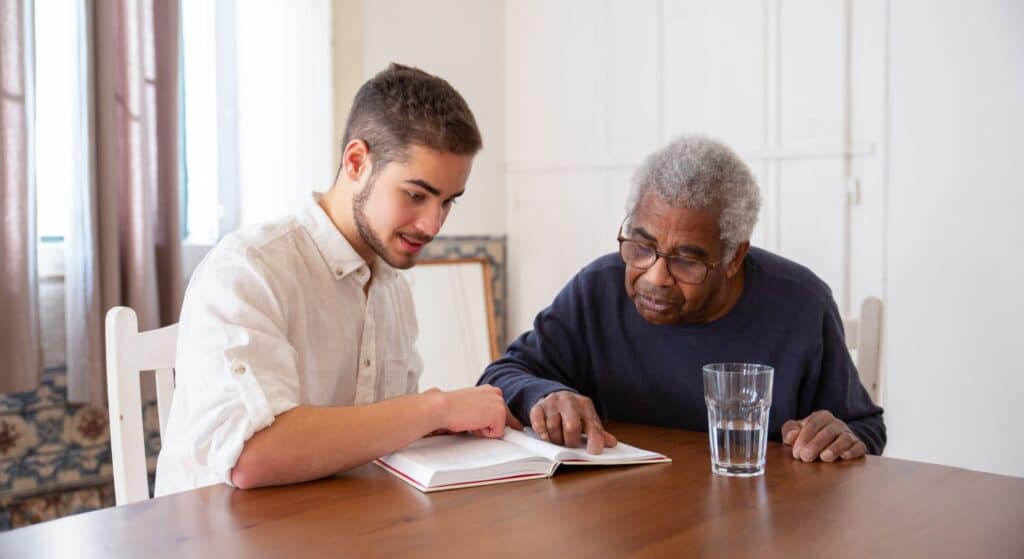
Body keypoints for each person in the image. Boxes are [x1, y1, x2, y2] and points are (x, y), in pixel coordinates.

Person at [155, 63, 516, 496]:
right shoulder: (249, 267)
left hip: (338, 519)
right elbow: (251, 456)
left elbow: (380, 433)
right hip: (220, 528)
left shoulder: (393, 289)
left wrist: (444, 425)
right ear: (357, 161)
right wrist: (434, 409)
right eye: (416, 195)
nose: (432, 225)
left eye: (448, 202)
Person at [479, 135, 885, 462]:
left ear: (734, 258)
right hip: (625, 516)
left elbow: (863, 429)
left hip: (756, 518)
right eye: (641, 247)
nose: (655, 277)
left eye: (686, 261)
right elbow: (501, 375)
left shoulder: (801, 305)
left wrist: (837, 436)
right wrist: (544, 394)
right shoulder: (597, 290)